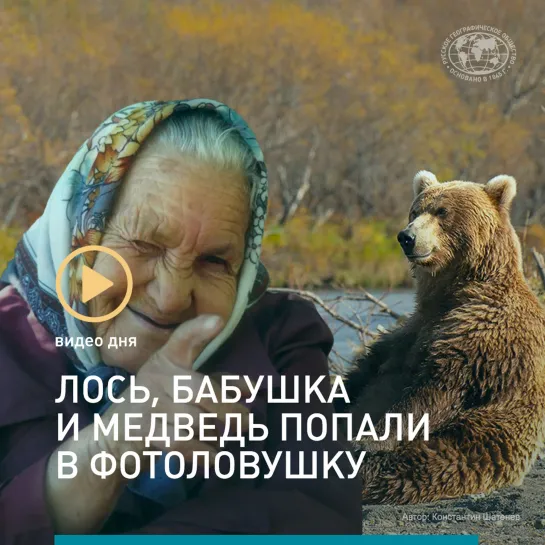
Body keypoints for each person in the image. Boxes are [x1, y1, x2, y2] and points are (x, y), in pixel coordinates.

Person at [0, 99, 361, 541]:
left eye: (213, 261)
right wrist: (113, 444)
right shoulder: (7, 342)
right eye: (143, 245)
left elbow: (316, 512)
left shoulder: (281, 338)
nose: (171, 298)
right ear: (81, 232)